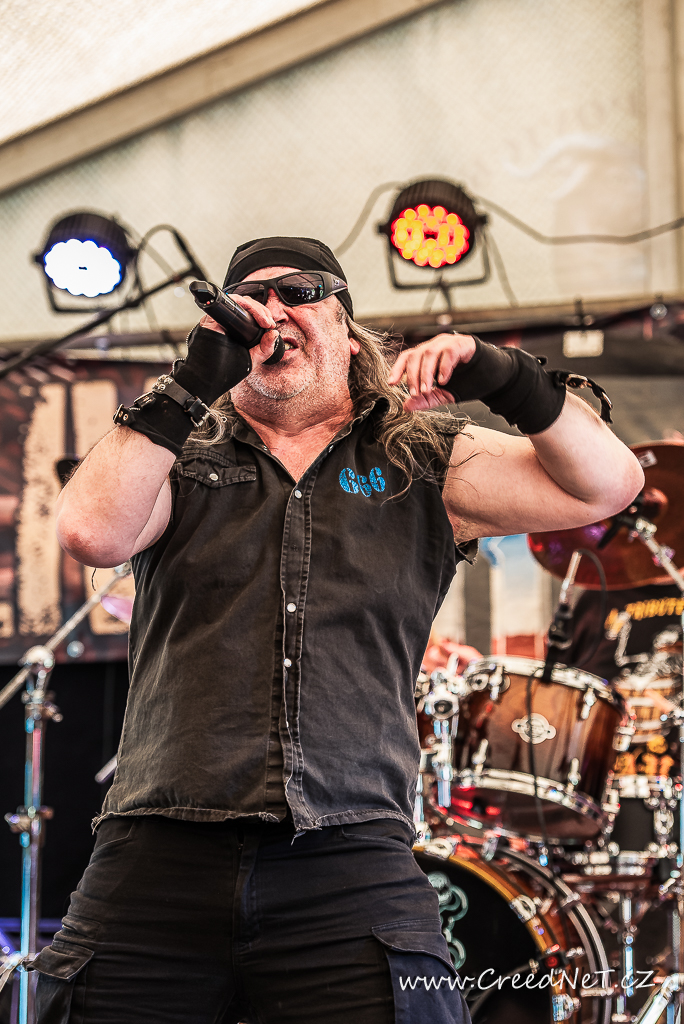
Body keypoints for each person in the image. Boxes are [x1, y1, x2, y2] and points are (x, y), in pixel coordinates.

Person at [39, 236, 643, 1024]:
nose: (272, 312)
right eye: (253, 299)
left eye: (298, 293)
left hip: (349, 850)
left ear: (349, 335)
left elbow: (608, 485)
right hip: (158, 843)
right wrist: (191, 381)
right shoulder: (181, 454)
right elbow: (90, 532)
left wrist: (502, 375)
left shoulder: (420, 458)